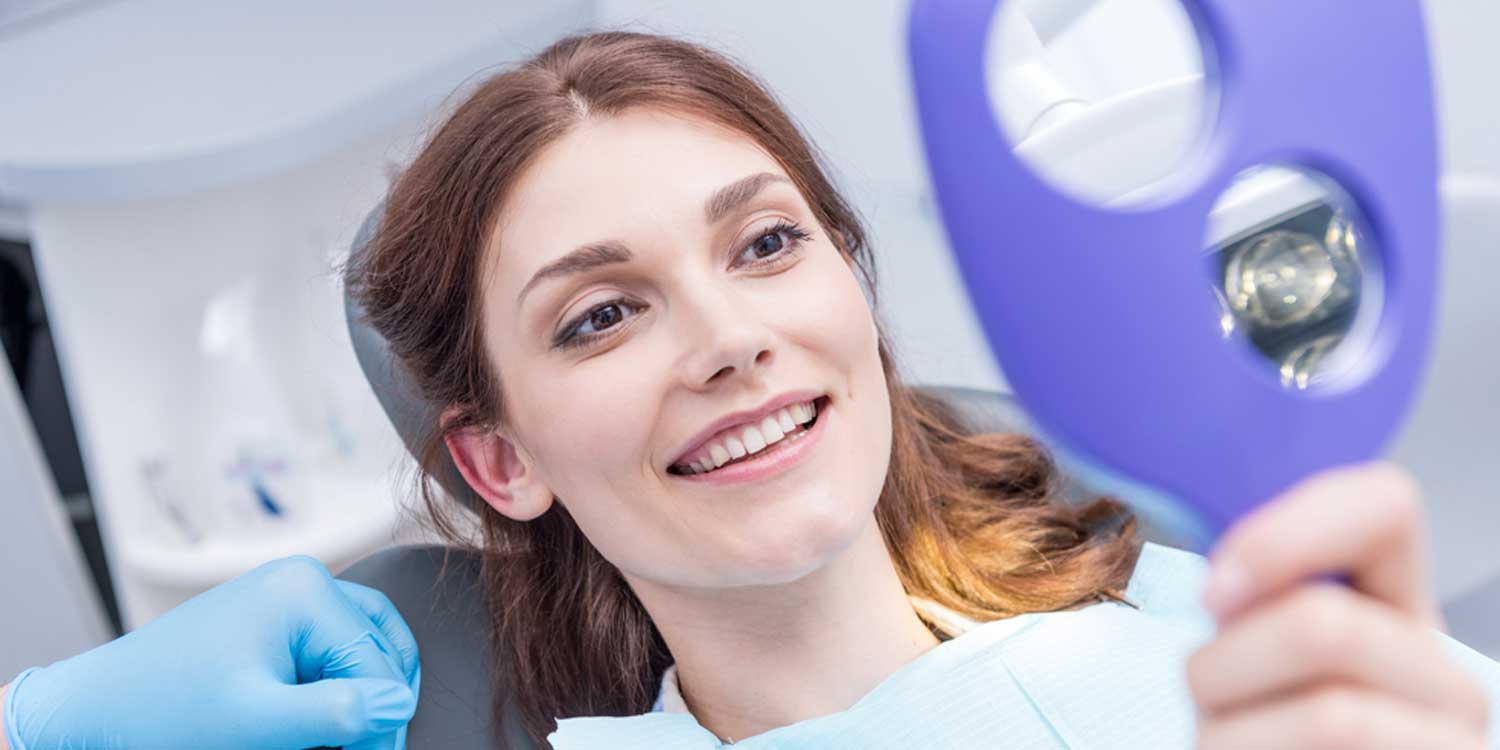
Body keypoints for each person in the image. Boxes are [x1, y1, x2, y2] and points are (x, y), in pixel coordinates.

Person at [4, 29, 1496, 750]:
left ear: (855, 293)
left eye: (767, 243)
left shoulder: (1227, 644)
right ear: (500, 460)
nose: (725, 337)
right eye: (599, 316)